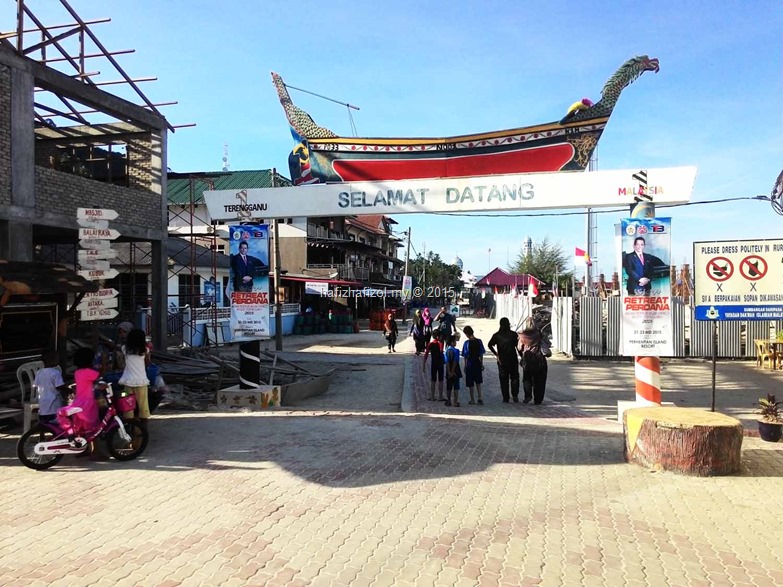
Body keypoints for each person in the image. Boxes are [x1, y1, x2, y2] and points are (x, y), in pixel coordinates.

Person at [57, 347, 101, 437]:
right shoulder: (88, 372)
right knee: (91, 430)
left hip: (79, 402)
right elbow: (100, 375)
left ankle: (82, 447)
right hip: (87, 403)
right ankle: (94, 449)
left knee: (81, 428)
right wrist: (103, 363)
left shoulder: (78, 372)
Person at [119, 328, 151, 424]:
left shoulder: (124, 349)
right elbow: (147, 364)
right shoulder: (145, 350)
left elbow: (122, 362)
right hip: (141, 382)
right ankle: (143, 429)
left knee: (128, 406)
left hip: (128, 381)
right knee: (143, 406)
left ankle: (130, 428)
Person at [518, 319, 551, 405]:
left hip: (527, 361)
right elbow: (547, 345)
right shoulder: (540, 334)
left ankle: (528, 396)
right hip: (539, 360)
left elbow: (519, 348)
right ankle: (538, 399)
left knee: (527, 379)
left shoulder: (522, 335)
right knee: (539, 381)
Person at [488, 317, 521, 403]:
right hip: (513, 359)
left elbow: (489, 345)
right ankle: (515, 395)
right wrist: (522, 356)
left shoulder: (496, 335)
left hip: (502, 360)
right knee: (514, 378)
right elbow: (518, 347)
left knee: (503, 379)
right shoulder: (513, 335)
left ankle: (505, 397)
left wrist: (496, 354)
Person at [34, 350, 68, 424]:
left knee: (44, 425)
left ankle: (42, 435)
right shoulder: (56, 372)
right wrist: (68, 391)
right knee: (57, 425)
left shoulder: (39, 372)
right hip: (54, 406)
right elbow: (59, 386)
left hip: (43, 405)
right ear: (53, 360)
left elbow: (36, 385)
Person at [461, 325, 485, 405]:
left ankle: (472, 399)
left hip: (470, 363)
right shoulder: (479, 341)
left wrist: (465, 365)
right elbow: (481, 354)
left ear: (466, 334)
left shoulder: (467, 343)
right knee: (478, 381)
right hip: (477, 362)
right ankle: (480, 397)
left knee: (470, 382)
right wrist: (481, 364)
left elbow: (465, 355)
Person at [422, 332, 445, 401]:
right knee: (440, 380)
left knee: (433, 380)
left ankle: (432, 396)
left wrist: (424, 364)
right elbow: (441, 353)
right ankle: (440, 397)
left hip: (433, 363)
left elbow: (426, 354)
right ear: (437, 336)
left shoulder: (430, 344)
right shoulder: (440, 344)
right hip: (440, 363)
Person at [444, 334, 462, 407]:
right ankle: (455, 402)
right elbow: (455, 361)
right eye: (455, 341)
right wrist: (452, 371)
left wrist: (449, 372)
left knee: (449, 387)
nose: (456, 342)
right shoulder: (456, 351)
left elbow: (447, 362)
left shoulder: (446, 351)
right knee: (456, 387)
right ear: (452, 342)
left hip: (448, 371)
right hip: (456, 371)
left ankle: (448, 401)